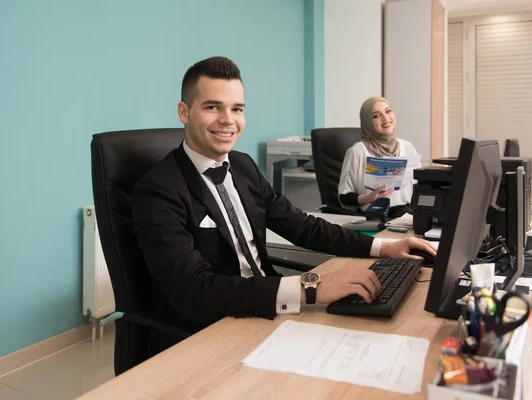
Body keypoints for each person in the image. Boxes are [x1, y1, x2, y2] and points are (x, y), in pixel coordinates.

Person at [132, 57, 436, 355]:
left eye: (237, 109)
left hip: (269, 308)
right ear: (184, 112)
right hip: (214, 327)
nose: (228, 120)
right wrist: (311, 288)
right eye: (213, 107)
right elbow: (194, 291)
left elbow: (302, 226)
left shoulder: (243, 166)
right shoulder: (158, 189)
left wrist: (384, 248)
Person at [338, 96, 422, 216]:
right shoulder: (358, 151)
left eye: (388, 111)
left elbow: (419, 187)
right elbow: (344, 197)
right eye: (376, 116)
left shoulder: (407, 147)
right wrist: (369, 197)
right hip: (373, 216)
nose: (385, 118)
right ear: (367, 122)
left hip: (405, 215)